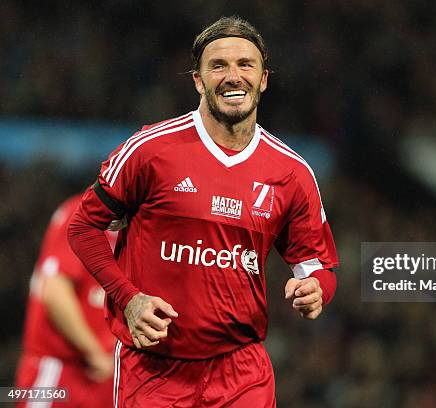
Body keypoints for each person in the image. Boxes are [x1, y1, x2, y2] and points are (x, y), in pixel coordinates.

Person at [67, 15, 339, 407]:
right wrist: (129, 299)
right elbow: (82, 227)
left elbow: (317, 267)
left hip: (242, 373)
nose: (233, 76)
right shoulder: (150, 150)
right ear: (198, 79)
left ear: (263, 79)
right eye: (219, 65)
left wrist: (317, 291)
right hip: (154, 370)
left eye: (246, 65)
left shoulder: (291, 172)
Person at [15, 194, 116, 407]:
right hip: (59, 372)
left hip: (106, 375)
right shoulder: (86, 213)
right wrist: (94, 353)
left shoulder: (140, 225)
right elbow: (54, 291)